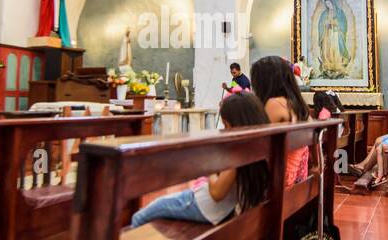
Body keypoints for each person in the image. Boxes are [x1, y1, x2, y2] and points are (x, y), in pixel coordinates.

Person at [129, 92, 270, 227]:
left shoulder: (238, 150)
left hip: (204, 206)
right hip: (221, 210)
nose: (224, 130)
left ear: (237, 123)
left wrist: (210, 168)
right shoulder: (259, 144)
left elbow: (216, 193)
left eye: (226, 125)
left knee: (140, 216)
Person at [251, 55, 310, 185]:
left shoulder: (274, 103)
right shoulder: (296, 104)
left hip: (279, 180)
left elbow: (258, 144)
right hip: (298, 176)